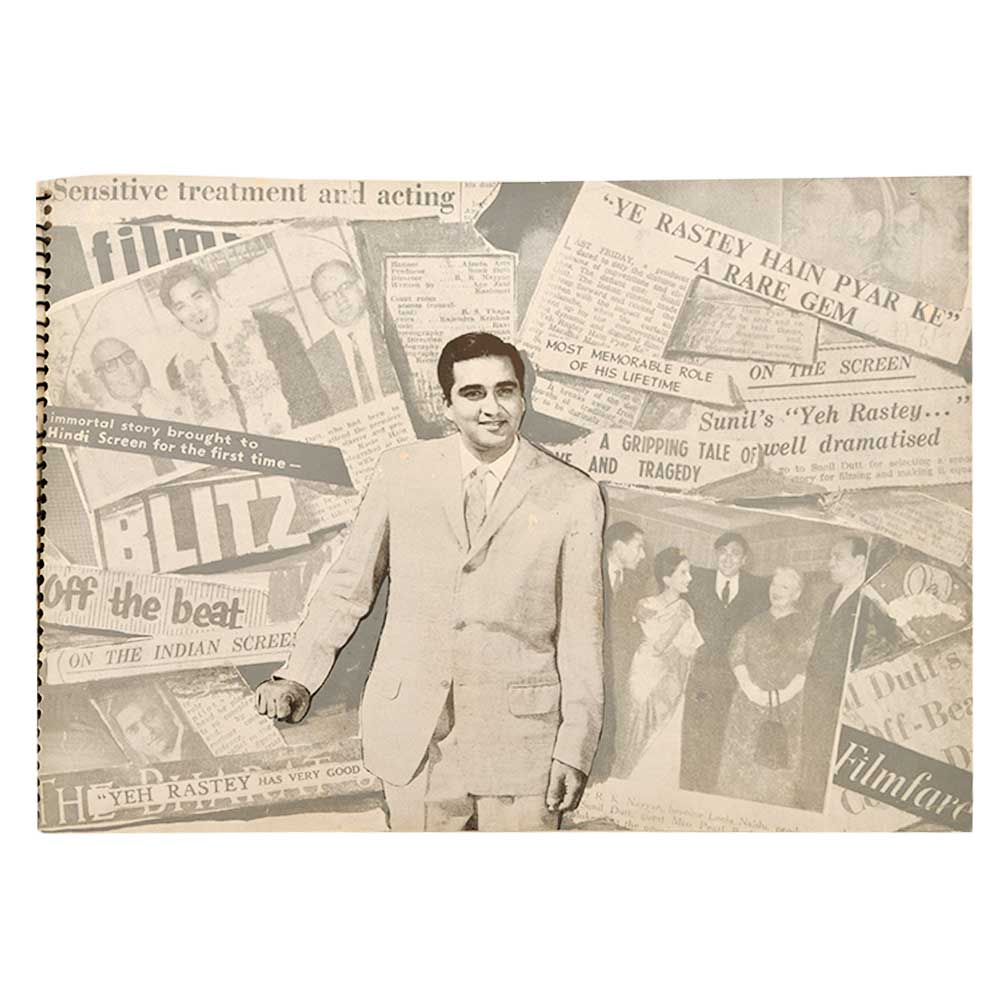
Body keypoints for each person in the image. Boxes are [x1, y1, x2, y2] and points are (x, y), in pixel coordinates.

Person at [255, 332, 606, 831]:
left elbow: (581, 635)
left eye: (506, 390)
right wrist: (298, 674)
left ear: (523, 397)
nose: (492, 408)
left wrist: (576, 746)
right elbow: (349, 585)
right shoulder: (401, 471)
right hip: (414, 738)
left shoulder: (574, 494)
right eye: (473, 393)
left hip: (522, 742)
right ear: (447, 405)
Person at [797, 537, 901, 810]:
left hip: (845, 694)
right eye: (830, 557)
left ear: (859, 562)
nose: (830, 563)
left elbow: (886, 646)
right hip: (818, 691)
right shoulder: (832, 597)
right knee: (814, 752)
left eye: (838, 557)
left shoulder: (872, 600)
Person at [160, 262, 323, 433]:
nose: (194, 311)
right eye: (181, 306)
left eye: (198, 297)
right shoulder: (178, 370)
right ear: (175, 315)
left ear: (213, 292)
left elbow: (313, 405)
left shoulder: (271, 329)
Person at [680, 531, 768, 793]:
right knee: (692, 731)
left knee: (720, 733)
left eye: (735, 553)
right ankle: (687, 787)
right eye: (723, 552)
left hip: (733, 677)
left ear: (744, 559)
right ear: (716, 555)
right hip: (698, 673)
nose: (728, 558)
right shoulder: (695, 580)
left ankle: (708, 789)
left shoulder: (758, 588)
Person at [716, 567, 813, 807]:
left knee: (776, 770)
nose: (776, 591)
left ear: (797, 594)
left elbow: (810, 664)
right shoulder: (755, 622)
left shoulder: (809, 625)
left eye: (784, 587)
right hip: (747, 707)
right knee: (740, 773)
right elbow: (736, 654)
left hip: (786, 709)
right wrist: (750, 689)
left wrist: (783, 694)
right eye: (774, 584)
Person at [614, 548, 702, 782]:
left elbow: (691, 649)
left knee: (665, 737)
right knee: (637, 730)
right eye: (683, 572)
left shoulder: (686, 608)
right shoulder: (646, 605)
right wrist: (678, 621)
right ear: (666, 578)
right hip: (645, 677)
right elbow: (658, 647)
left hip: (672, 681)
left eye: (689, 572)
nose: (689, 578)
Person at [590, 521, 648, 781]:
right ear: (618, 546)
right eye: (638, 547)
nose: (642, 555)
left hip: (616, 667)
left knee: (609, 723)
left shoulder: (635, 582)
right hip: (586, 665)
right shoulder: (589, 570)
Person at [307, 260, 398, 412]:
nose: (340, 299)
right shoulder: (314, 359)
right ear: (320, 306)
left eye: (345, 287)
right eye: (328, 296)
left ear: (361, 286)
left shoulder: (393, 331)